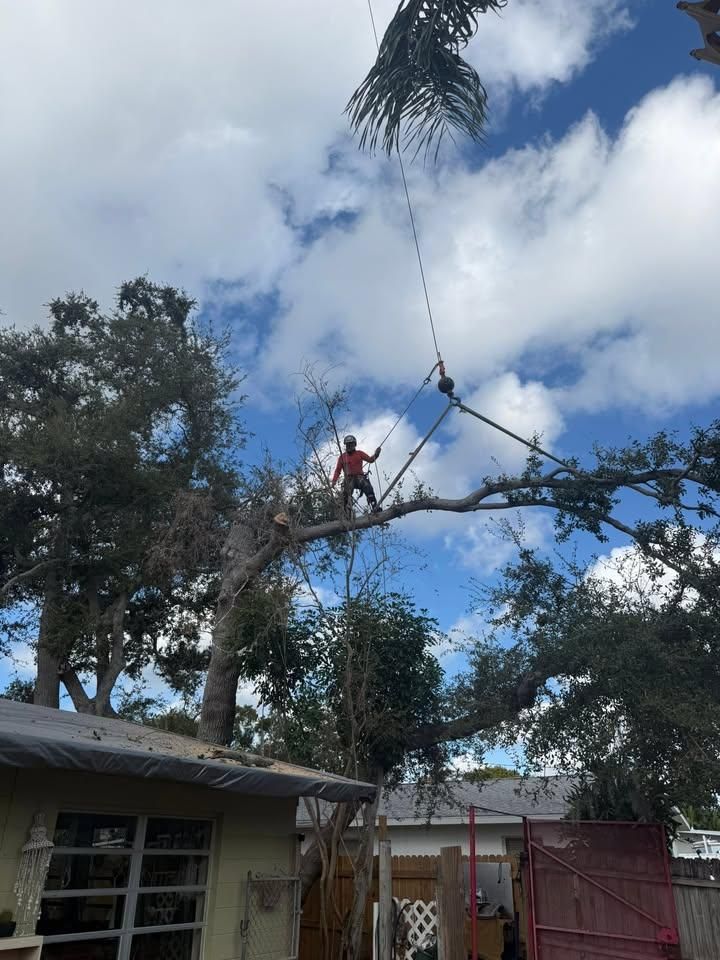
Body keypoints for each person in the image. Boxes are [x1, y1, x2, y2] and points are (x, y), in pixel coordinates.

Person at [331, 434, 382, 515]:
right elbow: (338, 470)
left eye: (351, 444)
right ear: (346, 445)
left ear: (355, 444)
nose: (350, 446)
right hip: (349, 479)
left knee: (367, 487)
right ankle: (346, 513)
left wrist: (376, 454)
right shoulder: (342, 457)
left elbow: (370, 460)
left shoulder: (359, 453)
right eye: (348, 444)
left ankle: (374, 506)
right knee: (346, 494)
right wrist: (334, 481)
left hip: (359, 477)